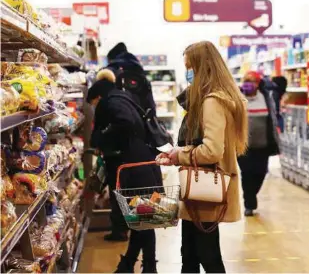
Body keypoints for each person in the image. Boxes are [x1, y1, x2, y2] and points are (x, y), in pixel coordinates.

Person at [156, 41, 247, 273]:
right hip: (199, 187)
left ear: (202, 67)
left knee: (207, 255)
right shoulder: (209, 98)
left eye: (190, 67)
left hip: (205, 187)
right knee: (190, 254)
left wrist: (179, 155)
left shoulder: (212, 101)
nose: (188, 73)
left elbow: (211, 151)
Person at [88, 70, 162, 273]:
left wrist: (102, 136)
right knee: (141, 219)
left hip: (132, 167)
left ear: (98, 97)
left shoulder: (111, 103)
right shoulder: (125, 97)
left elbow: (125, 124)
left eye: (93, 103)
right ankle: (131, 264)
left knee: (143, 220)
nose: (94, 107)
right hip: (143, 162)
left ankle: (145, 267)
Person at [238, 71, 280, 217]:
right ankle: (249, 203)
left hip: (263, 146)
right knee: (246, 174)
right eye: (246, 81)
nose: (248, 84)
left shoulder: (266, 97)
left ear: (258, 83)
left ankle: (251, 195)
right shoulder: (238, 98)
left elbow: (279, 84)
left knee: (260, 173)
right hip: (243, 147)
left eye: (252, 81)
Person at [105, 42, 156, 111]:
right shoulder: (139, 71)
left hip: (116, 113)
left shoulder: (110, 72)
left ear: (111, 59)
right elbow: (150, 103)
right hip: (139, 115)